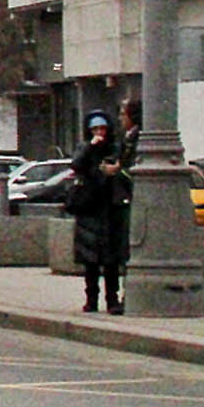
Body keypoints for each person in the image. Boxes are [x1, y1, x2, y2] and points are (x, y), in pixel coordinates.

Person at [67, 112, 130, 313]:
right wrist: (90, 147)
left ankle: (112, 299)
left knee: (110, 260)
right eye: (95, 130)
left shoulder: (115, 147)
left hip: (110, 207)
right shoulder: (85, 148)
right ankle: (91, 299)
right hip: (89, 208)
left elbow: (120, 167)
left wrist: (112, 168)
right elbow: (76, 165)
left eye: (102, 129)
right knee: (90, 261)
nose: (100, 133)